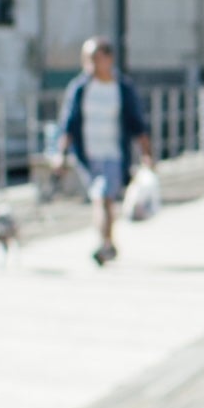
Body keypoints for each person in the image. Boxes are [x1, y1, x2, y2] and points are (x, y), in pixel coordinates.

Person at [55, 37, 152, 265]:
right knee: (103, 198)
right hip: (87, 154)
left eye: (95, 58)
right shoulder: (80, 88)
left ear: (108, 59)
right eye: (87, 59)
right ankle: (108, 243)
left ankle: (104, 243)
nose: (90, 63)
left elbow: (137, 122)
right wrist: (60, 153)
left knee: (103, 196)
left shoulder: (122, 88)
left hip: (115, 153)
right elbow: (68, 123)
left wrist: (147, 153)